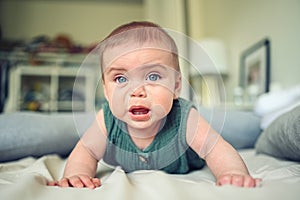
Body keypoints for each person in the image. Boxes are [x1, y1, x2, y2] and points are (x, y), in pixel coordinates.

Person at [47, 21, 261, 188]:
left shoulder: (184, 117)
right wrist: (77, 175)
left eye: (152, 76)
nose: (136, 91)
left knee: (237, 128)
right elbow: (86, 151)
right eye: (121, 79)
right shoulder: (107, 119)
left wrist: (232, 173)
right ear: (106, 90)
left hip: (188, 157)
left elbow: (216, 148)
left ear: (176, 86)